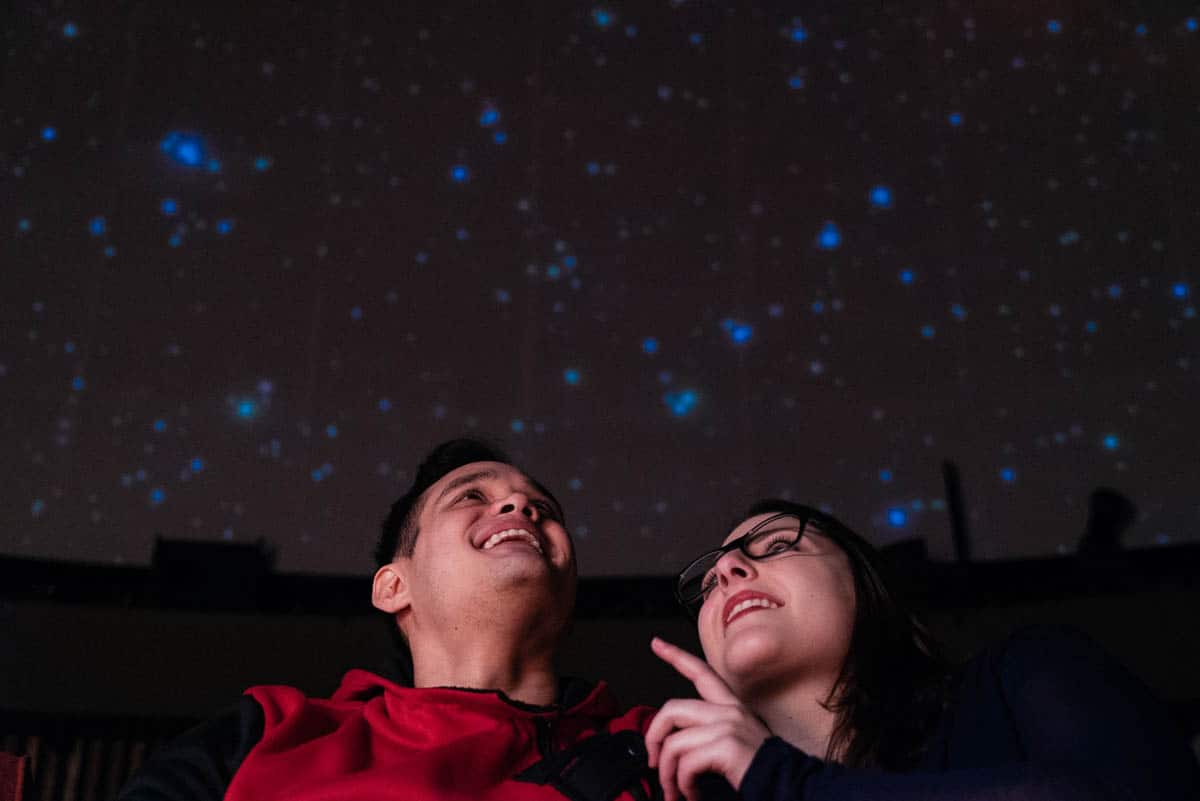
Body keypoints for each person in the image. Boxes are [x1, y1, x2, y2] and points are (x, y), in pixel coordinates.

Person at [119, 438, 658, 801]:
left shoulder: (660, 749)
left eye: (545, 508)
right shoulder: (270, 730)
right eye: (472, 495)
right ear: (393, 586)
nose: (521, 506)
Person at [645, 499, 1200, 801]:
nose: (725, 569)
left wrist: (783, 783)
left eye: (778, 544)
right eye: (711, 582)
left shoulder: (1024, 672)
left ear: (869, 588)